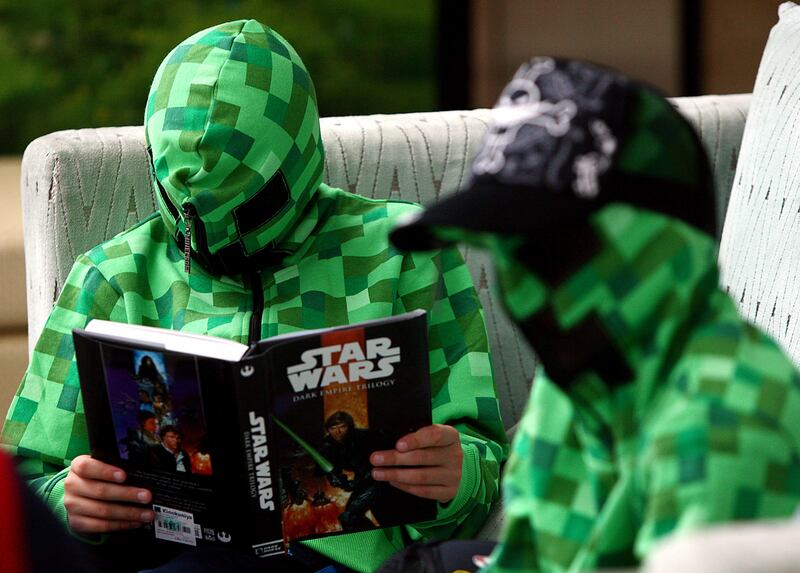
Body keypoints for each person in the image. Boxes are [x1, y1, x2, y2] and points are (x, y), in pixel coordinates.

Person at [0, 19, 507, 573]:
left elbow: (478, 457)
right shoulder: (112, 276)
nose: (216, 242)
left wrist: (455, 479)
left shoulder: (406, 251)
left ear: (302, 158)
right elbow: (25, 483)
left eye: (248, 210)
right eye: (188, 213)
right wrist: (71, 502)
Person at [390, 57, 800, 572]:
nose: (526, 290)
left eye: (552, 253)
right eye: (507, 252)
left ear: (657, 250)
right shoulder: (580, 379)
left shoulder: (726, 427)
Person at [319, 411, 392, 530]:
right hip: (364, 482)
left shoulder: (365, 437)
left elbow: (378, 464)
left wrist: (356, 483)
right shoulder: (329, 445)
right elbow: (332, 470)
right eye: (333, 428)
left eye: (343, 427)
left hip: (381, 479)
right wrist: (339, 480)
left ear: (350, 426)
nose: (338, 432)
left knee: (351, 516)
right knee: (350, 518)